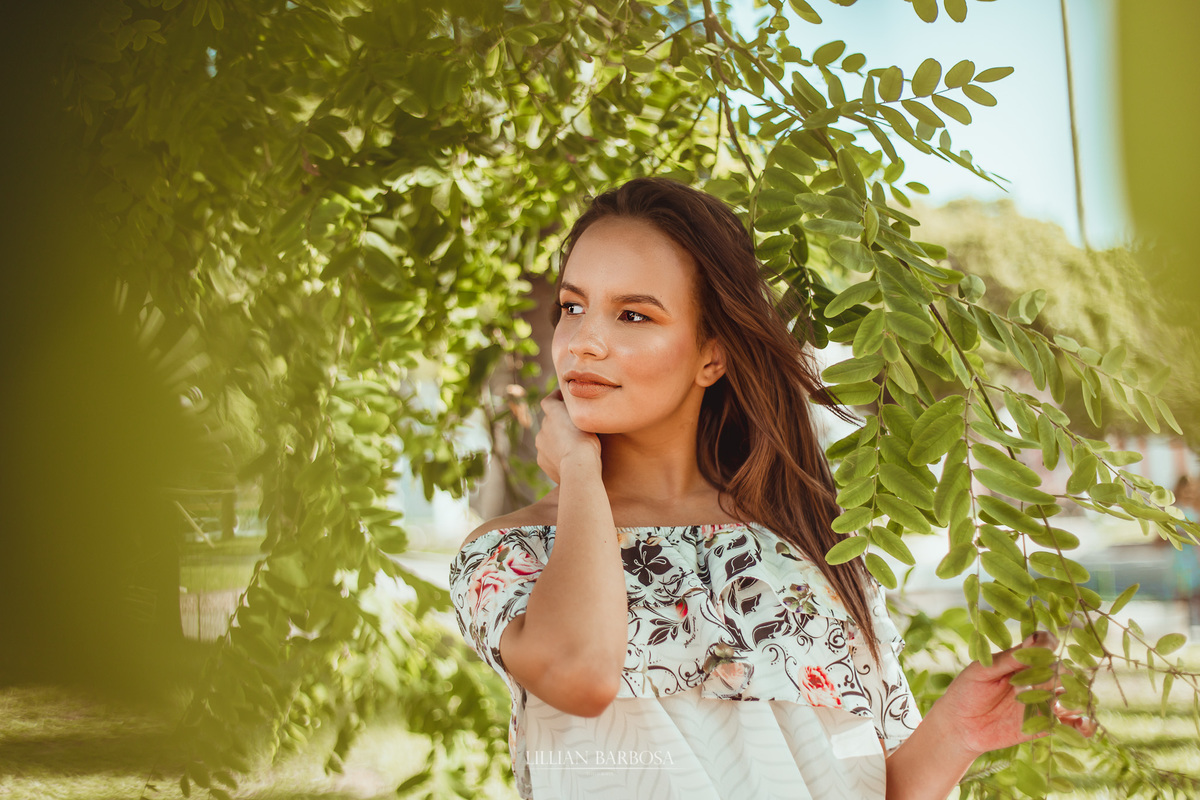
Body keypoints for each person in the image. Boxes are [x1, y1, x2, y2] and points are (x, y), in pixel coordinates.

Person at [449, 177, 1095, 799]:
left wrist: (957, 733)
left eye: (633, 315)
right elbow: (580, 673)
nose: (583, 342)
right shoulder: (511, 554)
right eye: (572, 306)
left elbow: (863, 784)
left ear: (712, 355)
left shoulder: (808, 542)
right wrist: (581, 473)